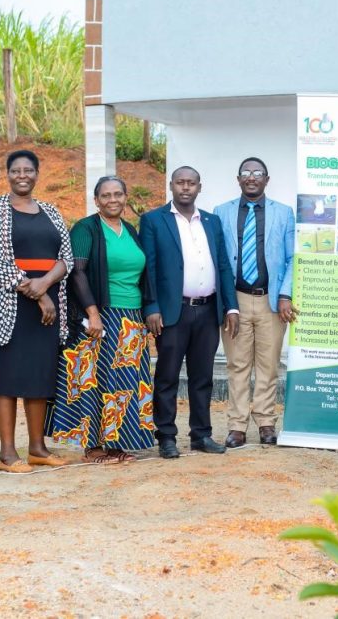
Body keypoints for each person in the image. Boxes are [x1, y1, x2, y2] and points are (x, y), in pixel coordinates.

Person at [47, 176, 155, 462]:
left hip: (132, 319)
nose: (112, 200)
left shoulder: (131, 230)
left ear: (125, 197)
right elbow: (77, 271)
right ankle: (93, 446)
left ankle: (118, 442)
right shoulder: (86, 228)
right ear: (96, 200)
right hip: (102, 317)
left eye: (118, 194)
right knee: (97, 381)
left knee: (126, 383)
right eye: (105, 195)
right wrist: (93, 313)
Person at [0, 150, 73, 473]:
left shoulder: (50, 210)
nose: (22, 175)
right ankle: (7, 454)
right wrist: (36, 293)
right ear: (7, 174)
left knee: (39, 377)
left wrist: (45, 285)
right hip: (8, 306)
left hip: (45, 306)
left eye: (28, 170)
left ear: (37, 174)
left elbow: (67, 258)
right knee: (6, 378)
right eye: (16, 170)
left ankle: (37, 448)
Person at [140, 166, 239, 459]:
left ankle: (201, 435)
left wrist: (230, 305)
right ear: (171, 185)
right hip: (173, 312)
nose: (185, 187)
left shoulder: (211, 221)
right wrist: (152, 306)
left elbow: (223, 265)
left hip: (208, 311)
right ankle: (167, 437)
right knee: (168, 376)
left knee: (202, 377)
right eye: (180, 182)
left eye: (191, 183)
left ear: (199, 187)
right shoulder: (153, 220)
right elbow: (149, 269)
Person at [213, 157, 295, 448]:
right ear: (238, 179)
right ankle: (236, 426)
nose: (251, 177)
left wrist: (285, 295)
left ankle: (266, 422)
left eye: (257, 173)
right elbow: (219, 260)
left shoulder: (284, 214)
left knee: (268, 364)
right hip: (235, 302)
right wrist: (226, 303)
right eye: (246, 173)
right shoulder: (220, 213)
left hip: (270, 302)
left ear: (266, 179)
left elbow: (291, 258)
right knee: (237, 365)